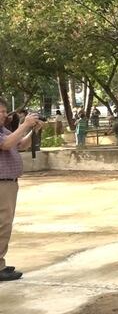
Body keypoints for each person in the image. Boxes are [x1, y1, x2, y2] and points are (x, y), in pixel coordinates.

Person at [0, 98, 43, 281]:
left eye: (4, 111)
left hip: (9, 184)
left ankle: (0, 263)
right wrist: (25, 125)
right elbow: (6, 144)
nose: (3, 115)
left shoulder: (4, 131)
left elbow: (21, 145)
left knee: (4, 224)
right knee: (2, 224)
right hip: (2, 184)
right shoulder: (4, 134)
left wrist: (33, 131)